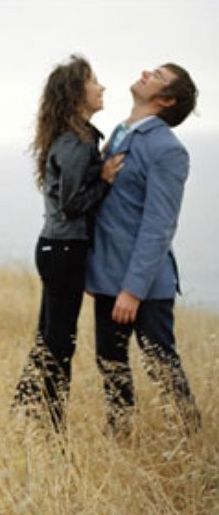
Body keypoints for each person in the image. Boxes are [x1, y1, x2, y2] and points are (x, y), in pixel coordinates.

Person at [85, 62, 201, 438]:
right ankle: (119, 444)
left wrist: (133, 290)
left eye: (158, 77)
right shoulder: (120, 132)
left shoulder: (167, 149)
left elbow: (159, 225)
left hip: (144, 286)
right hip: (107, 278)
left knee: (162, 367)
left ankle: (191, 444)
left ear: (166, 100)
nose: (146, 72)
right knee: (111, 367)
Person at [11, 55, 124, 433]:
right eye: (95, 81)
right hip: (64, 251)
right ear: (78, 92)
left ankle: (23, 413)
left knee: (49, 340)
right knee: (61, 345)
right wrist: (105, 178)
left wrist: (99, 167)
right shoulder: (76, 142)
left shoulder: (73, 137)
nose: (102, 87)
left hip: (54, 249)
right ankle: (52, 431)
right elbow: (73, 204)